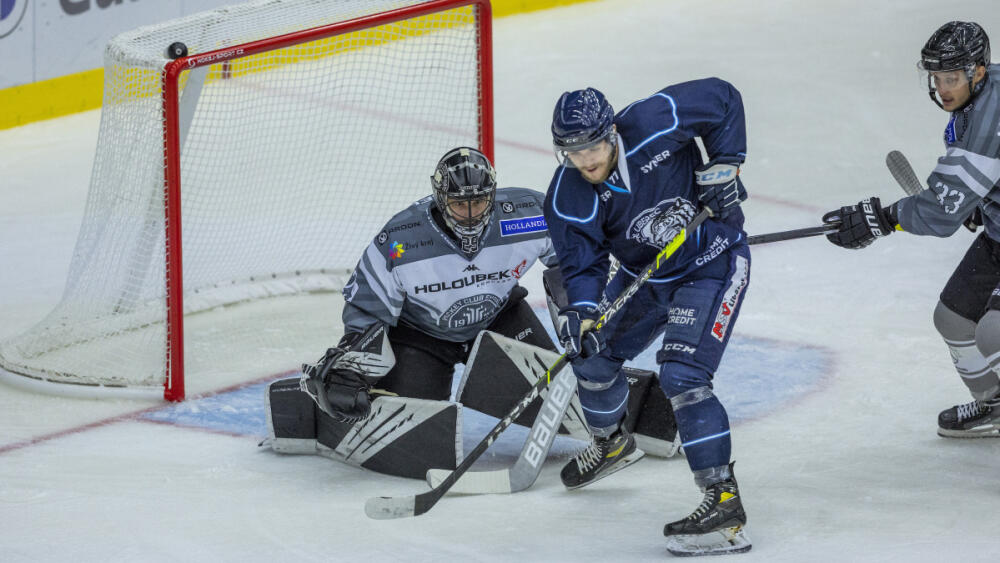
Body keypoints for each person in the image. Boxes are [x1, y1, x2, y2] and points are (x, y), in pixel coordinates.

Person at [542, 82, 753, 554]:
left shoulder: (655, 121)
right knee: (592, 361)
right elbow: (584, 265)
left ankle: (723, 502)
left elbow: (721, 98)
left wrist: (724, 165)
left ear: (612, 131)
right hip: (646, 277)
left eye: (593, 145)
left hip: (711, 262)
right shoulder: (566, 197)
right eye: (572, 152)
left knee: (682, 376)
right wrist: (582, 312)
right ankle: (613, 442)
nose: (587, 160)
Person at [822, 21, 1000, 438]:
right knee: (954, 319)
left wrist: (881, 218)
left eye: (951, 77)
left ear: (977, 70)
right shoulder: (981, 96)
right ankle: (995, 406)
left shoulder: (989, 120)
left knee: (994, 331)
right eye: (936, 77)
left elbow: (940, 212)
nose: (942, 88)